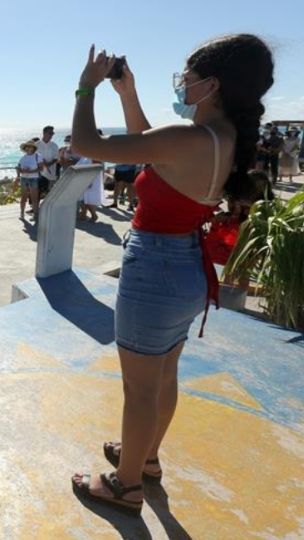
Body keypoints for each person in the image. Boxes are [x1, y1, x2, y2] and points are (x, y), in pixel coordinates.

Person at [69, 35, 274, 515]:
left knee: (138, 388)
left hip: (155, 269)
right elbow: (150, 146)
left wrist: (86, 88)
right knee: (162, 376)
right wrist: (127, 94)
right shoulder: (220, 139)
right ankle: (147, 459)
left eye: (189, 77)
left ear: (213, 85)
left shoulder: (188, 138)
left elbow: (86, 144)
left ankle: (125, 486)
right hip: (186, 269)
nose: (183, 84)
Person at [17, 140, 43, 222]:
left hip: (33, 178)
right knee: (23, 197)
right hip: (24, 178)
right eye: (27, 146)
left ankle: (36, 215)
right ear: (25, 148)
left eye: (30, 146)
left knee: (34, 198)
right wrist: (21, 171)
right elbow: (18, 168)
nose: (28, 148)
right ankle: (21, 214)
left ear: (33, 148)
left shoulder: (38, 156)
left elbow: (41, 168)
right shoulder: (23, 157)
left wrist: (30, 171)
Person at [36, 126, 60, 199]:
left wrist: (49, 164)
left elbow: (56, 158)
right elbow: (33, 157)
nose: (51, 135)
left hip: (51, 174)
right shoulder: (36, 145)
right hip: (38, 173)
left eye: (52, 133)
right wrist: (42, 163)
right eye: (50, 133)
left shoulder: (54, 145)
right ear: (44, 133)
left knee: (50, 193)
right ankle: (35, 208)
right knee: (38, 191)